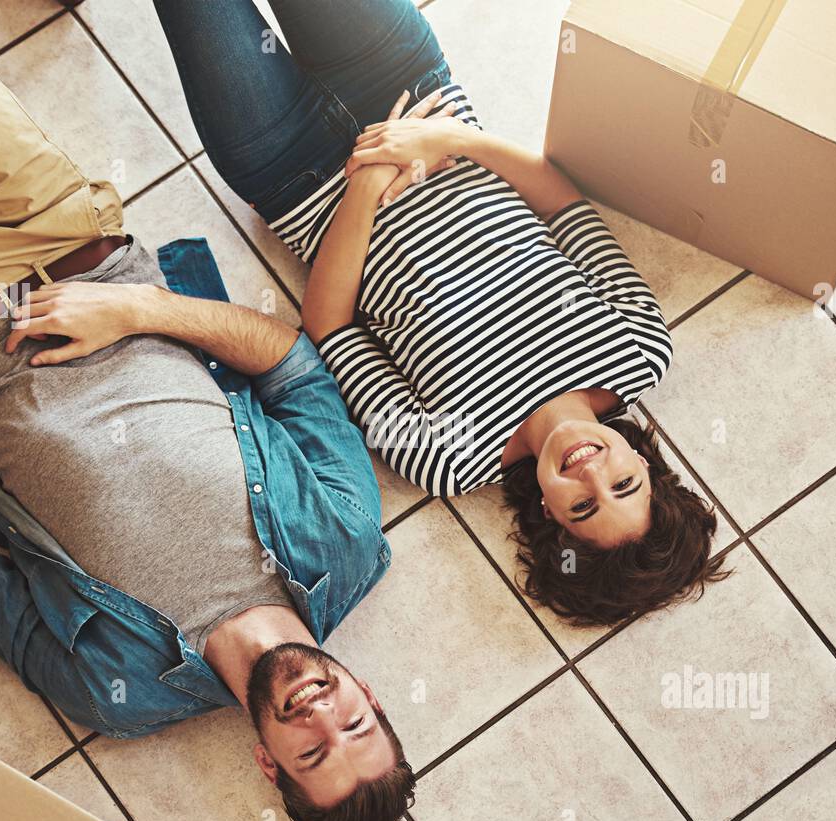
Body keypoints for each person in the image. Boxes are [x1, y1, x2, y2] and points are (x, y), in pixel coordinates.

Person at [0, 0, 413, 821]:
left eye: (311, 753)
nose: (321, 718)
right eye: (355, 728)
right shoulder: (345, 540)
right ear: (369, 694)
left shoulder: (121, 693)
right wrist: (139, 307)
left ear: (269, 763)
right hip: (61, 233)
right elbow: (289, 359)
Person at [153, 0, 727, 627]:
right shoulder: (640, 350)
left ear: (550, 520)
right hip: (405, 81)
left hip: (292, 170)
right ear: (646, 465)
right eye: (623, 486)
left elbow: (329, 328)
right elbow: (559, 200)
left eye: (583, 508)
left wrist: (367, 185)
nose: (592, 474)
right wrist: (446, 138)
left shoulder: (446, 461)